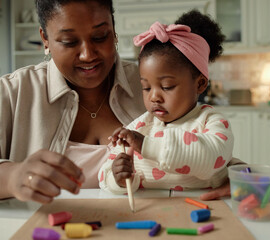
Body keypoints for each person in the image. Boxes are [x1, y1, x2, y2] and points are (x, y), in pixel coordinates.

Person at [0, 0, 270, 217]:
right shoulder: (16, 92)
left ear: (116, 31)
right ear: (45, 39)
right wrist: (10, 177)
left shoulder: (152, 81)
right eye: (69, 41)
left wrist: (244, 177)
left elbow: (198, 144)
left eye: (101, 36)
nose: (89, 54)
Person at [99, 10, 235, 193]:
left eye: (167, 86)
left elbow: (212, 158)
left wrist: (146, 146)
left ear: (200, 84)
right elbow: (105, 172)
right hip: (152, 210)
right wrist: (119, 179)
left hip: (205, 209)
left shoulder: (211, 121)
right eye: (146, 88)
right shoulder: (141, 126)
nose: (154, 97)